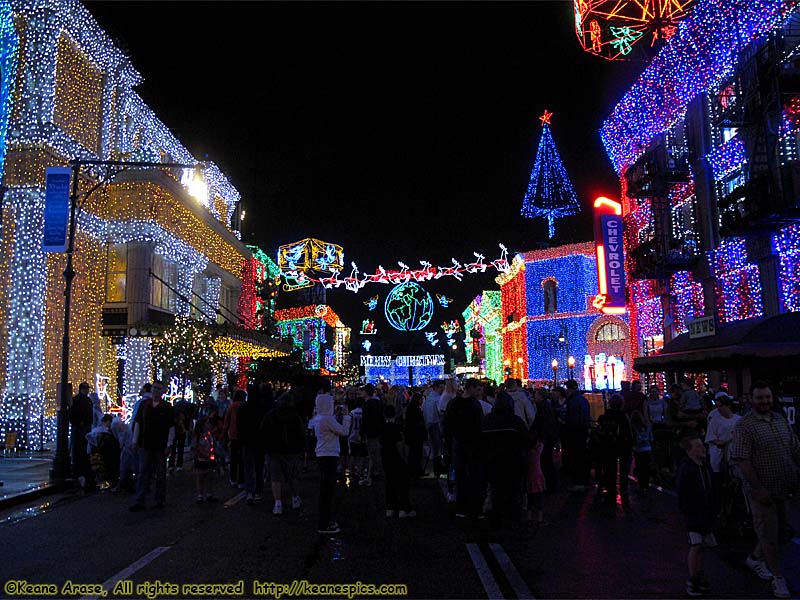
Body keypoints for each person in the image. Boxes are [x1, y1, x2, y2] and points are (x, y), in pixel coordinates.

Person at [729, 381, 799, 599]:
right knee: (769, 535)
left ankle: (755, 558)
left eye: (767, 397)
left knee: (781, 532)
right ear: (752, 399)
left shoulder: (779, 419)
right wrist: (758, 489)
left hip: (785, 487)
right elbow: (742, 459)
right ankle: (778, 578)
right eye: (760, 398)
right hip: (763, 491)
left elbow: (794, 447)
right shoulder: (745, 425)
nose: (764, 401)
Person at [676, 435, 718, 597]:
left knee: (701, 547)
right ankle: (693, 579)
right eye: (698, 446)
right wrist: (690, 513)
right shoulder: (687, 469)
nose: (703, 448)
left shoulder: (705, 467)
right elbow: (683, 495)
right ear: (689, 450)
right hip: (694, 515)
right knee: (696, 545)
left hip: (706, 514)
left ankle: (699, 575)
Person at [481, 391, 528, 527]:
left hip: (493, 462)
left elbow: (481, 441)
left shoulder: (488, 420)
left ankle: (496, 520)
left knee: (496, 492)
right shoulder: (515, 421)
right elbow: (526, 439)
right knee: (515, 493)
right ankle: (514, 521)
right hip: (513, 462)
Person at [443, 378, 485, 519]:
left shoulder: (453, 404)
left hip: (458, 444)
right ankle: (476, 509)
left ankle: (462, 508)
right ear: (471, 388)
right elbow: (480, 426)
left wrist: (448, 445)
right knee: (475, 477)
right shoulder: (475, 405)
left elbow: (447, 427)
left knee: (460, 477)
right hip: (473, 445)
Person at [313, 380, 351, 534]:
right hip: (329, 454)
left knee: (325, 489)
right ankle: (325, 523)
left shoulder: (318, 418)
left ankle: (324, 521)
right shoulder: (327, 419)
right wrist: (347, 417)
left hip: (322, 454)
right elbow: (344, 431)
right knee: (328, 490)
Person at [130, 381, 175, 511]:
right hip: (145, 443)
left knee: (160, 473)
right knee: (143, 472)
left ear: (162, 391)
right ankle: (140, 500)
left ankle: (159, 500)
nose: (156, 391)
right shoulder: (144, 405)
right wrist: (135, 441)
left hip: (160, 445)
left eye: (159, 389)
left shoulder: (167, 407)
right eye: (154, 388)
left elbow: (171, 427)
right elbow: (138, 423)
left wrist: (169, 444)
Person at [262, 392, 307, 514]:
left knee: (275, 477)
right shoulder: (295, 415)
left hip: (274, 450)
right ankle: (295, 498)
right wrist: (302, 448)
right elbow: (301, 433)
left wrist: (266, 447)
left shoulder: (271, 415)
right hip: (292, 450)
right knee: (293, 476)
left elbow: (264, 431)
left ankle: (278, 503)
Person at [593, 393, 634, 505]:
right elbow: (628, 433)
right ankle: (624, 489)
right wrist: (631, 444)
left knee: (610, 468)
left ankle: (611, 488)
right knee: (624, 469)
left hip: (609, 445)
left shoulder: (605, 416)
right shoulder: (623, 416)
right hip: (623, 446)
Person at [381, 405, 415, 518]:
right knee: (402, 484)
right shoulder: (396, 428)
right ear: (394, 414)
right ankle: (404, 508)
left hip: (386, 458)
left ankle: (390, 508)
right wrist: (404, 457)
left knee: (389, 483)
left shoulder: (382, 427)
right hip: (396, 458)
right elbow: (399, 445)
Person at [704, 392, 740, 494]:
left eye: (721, 406)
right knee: (718, 480)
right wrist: (723, 443)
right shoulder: (714, 420)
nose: (718, 408)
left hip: (734, 453)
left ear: (728, 405)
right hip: (719, 453)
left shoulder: (738, 419)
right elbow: (710, 437)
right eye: (717, 406)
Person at [238, 386, 267, 505]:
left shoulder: (243, 408)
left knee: (248, 467)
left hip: (246, 440)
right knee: (259, 466)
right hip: (259, 441)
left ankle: (249, 491)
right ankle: (258, 491)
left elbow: (239, 425)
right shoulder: (262, 408)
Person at [562, 379, 591, 492]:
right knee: (582, 457)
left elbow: (574, 418)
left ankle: (579, 482)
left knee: (576, 457)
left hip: (575, 432)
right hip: (582, 431)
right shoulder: (583, 399)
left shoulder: (574, 401)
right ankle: (583, 480)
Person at [69, 382, 94, 489]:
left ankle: (82, 469)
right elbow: (72, 414)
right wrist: (79, 423)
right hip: (80, 427)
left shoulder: (87, 400)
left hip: (85, 426)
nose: (87, 390)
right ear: (81, 389)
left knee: (83, 449)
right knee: (78, 448)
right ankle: (78, 469)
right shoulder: (77, 400)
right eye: (86, 389)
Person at [86, 414, 120, 490]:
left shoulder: (96, 431)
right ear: (107, 421)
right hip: (104, 455)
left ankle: (101, 484)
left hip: (96, 454)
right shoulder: (106, 432)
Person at [360, 383, 384, 486]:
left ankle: (370, 476)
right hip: (377, 431)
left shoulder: (367, 404)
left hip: (370, 432)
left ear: (366, 392)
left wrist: (362, 433)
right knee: (376, 453)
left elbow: (365, 420)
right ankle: (376, 472)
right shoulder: (377, 402)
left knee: (371, 455)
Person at [193, 414, 219, 504]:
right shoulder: (199, 436)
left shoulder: (210, 434)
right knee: (200, 477)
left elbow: (213, 444)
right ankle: (200, 494)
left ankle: (208, 493)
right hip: (201, 458)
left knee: (210, 476)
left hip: (209, 458)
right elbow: (196, 447)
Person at [223, 389, 246, 488]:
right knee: (242, 458)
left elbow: (227, 420)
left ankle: (233, 478)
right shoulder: (244, 406)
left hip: (233, 434)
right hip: (243, 434)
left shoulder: (232, 406)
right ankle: (241, 480)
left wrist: (224, 432)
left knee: (233, 457)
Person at [422, 381, 445, 478]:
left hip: (430, 424)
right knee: (437, 448)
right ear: (436, 387)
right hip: (436, 425)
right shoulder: (437, 399)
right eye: (441, 387)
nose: (442, 389)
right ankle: (438, 469)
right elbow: (440, 413)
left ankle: (437, 469)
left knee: (435, 448)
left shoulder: (428, 399)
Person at [404, 392, 427, 478]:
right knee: (416, 453)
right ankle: (416, 471)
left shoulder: (411, 409)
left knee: (414, 453)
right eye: (421, 399)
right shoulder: (415, 410)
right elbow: (417, 423)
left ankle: (414, 470)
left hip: (412, 435)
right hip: (416, 435)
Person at [630, 410, 653, 493]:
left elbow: (633, 440)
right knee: (646, 468)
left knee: (640, 467)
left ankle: (641, 485)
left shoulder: (633, 428)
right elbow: (651, 438)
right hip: (647, 448)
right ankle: (646, 485)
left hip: (639, 450)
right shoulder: (647, 427)